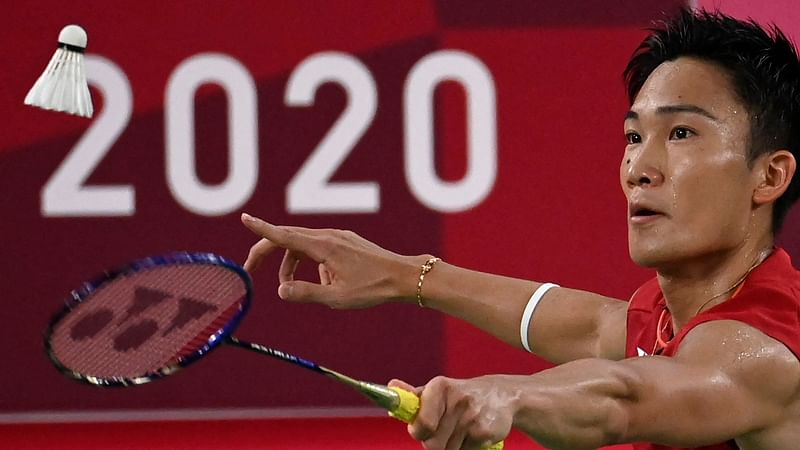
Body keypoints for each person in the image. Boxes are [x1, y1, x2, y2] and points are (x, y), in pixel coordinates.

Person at [240, 8, 800, 450]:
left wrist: (510, 394)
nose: (639, 168)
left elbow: (623, 397)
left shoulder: (764, 350)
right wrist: (403, 275)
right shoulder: (677, 313)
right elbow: (588, 325)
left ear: (769, 175)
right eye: (633, 137)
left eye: (681, 134)